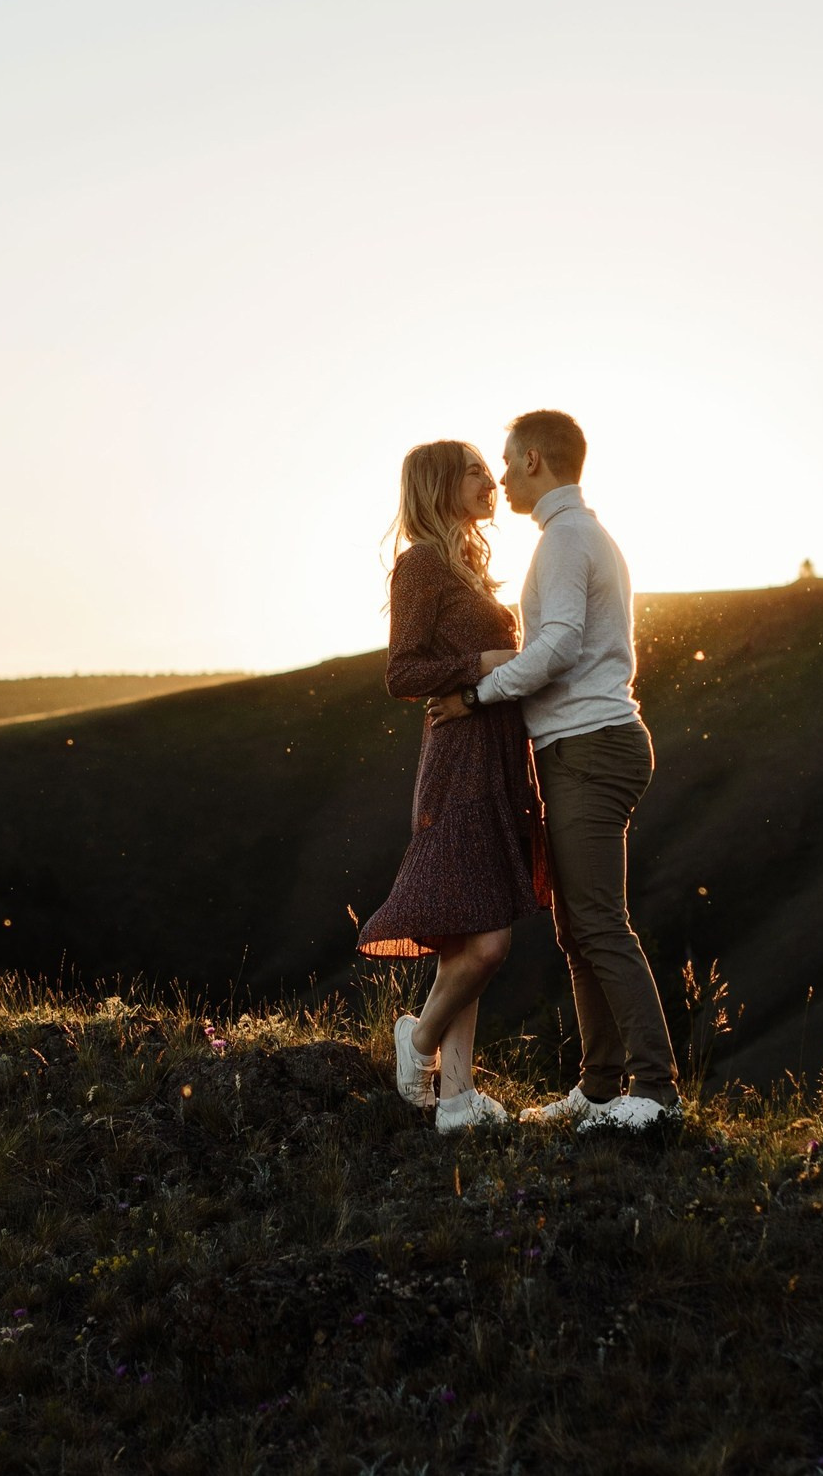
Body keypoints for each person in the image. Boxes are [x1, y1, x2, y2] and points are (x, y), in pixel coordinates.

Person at [429, 410, 679, 1131]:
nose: (500, 475)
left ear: (534, 459)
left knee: (598, 922)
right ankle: (600, 1089)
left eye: (507, 462)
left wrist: (477, 695)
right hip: (586, 745)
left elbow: (561, 643)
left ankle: (655, 1092)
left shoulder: (566, 538)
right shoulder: (574, 535)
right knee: (579, 928)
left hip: (591, 747)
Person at [359, 440, 552, 1133]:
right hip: (460, 763)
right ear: (440, 486)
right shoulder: (421, 565)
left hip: (497, 756)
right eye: (473, 470)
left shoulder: (468, 565)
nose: (489, 480)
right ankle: (416, 1039)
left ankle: (458, 1098)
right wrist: (489, 659)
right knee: (488, 941)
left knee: (467, 932)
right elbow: (402, 672)